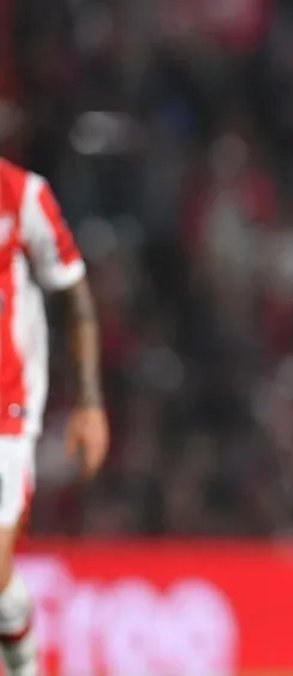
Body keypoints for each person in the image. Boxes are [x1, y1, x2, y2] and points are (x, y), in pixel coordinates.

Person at [0, 160, 109, 675]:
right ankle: (19, 639)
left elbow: (73, 293)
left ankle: (21, 658)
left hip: (8, 409)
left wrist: (89, 403)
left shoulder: (21, 195)